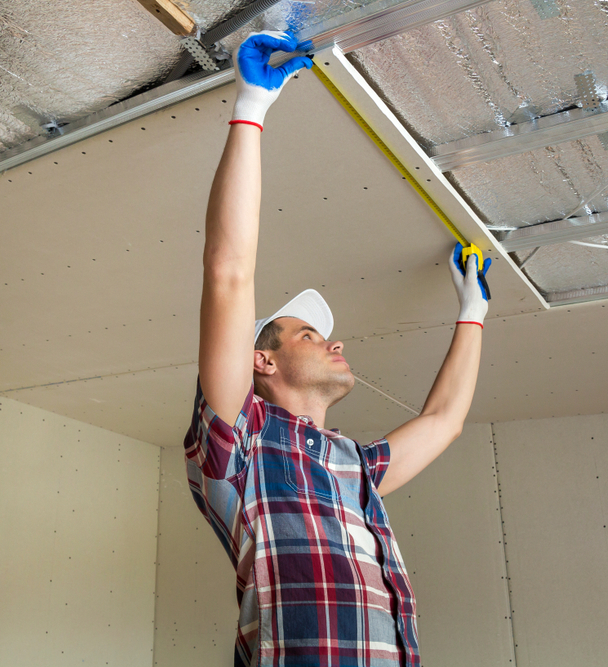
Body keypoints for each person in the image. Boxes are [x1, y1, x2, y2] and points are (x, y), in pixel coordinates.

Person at [184, 30, 492, 667]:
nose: (334, 342)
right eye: (309, 334)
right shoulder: (238, 443)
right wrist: (250, 108)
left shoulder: (351, 466)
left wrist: (475, 313)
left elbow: (444, 423)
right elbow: (228, 272)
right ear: (259, 361)